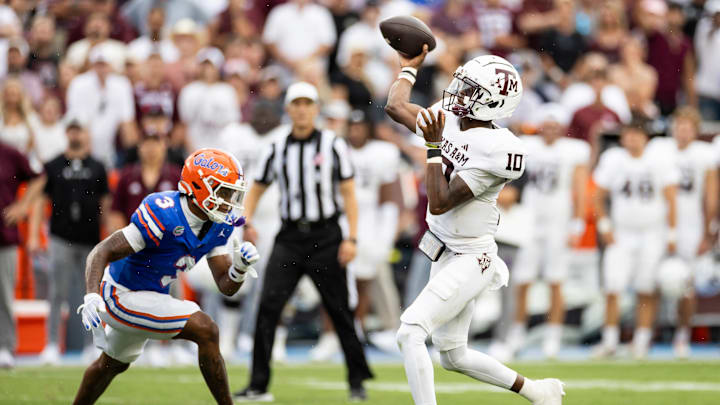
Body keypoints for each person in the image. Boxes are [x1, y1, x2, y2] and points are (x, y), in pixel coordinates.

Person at [384, 45, 565, 404]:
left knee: (410, 333)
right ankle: (537, 391)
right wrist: (408, 69)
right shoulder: (450, 118)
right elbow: (396, 107)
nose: (460, 93)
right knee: (453, 355)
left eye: (471, 90)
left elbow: (440, 200)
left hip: (471, 256)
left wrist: (434, 147)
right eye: (463, 84)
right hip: (444, 249)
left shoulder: (499, 149)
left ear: (494, 102)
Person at [72, 148, 260, 405]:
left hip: (152, 296)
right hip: (122, 294)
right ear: (199, 187)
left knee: (111, 365)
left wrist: (239, 268)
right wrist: (92, 294)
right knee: (206, 329)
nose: (230, 200)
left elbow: (226, 286)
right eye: (224, 191)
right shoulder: (164, 212)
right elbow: (102, 250)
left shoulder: (219, 224)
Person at [233, 82, 373, 402]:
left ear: (315, 108)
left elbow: (349, 194)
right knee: (268, 306)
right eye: (295, 103)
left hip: (326, 235)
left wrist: (351, 237)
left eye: (307, 103)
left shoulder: (333, 144)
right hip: (290, 236)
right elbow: (255, 189)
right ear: (288, 108)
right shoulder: (275, 147)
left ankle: (357, 379)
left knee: (340, 309)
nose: (301, 109)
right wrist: (247, 221)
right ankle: (258, 383)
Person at [504, 103, 590, 360]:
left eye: (555, 126)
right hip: (529, 221)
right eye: (547, 125)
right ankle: (516, 333)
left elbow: (581, 188)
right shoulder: (527, 146)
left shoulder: (573, 151)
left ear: (562, 128)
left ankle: (553, 336)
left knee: (556, 281)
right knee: (522, 280)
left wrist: (578, 223)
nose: (550, 130)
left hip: (558, 221)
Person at [592, 119, 678, 359]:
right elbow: (597, 196)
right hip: (622, 233)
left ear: (646, 138)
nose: (632, 139)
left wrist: (672, 233)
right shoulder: (614, 159)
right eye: (629, 135)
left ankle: (641, 341)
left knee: (646, 288)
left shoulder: (659, 159)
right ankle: (609, 341)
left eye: (637, 135)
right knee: (612, 287)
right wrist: (604, 225)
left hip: (652, 232)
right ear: (622, 138)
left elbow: (671, 197)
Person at [34, 120, 110, 364]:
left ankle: (93, 344)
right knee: (58, 292)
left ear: (85, 134)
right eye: (72, 129)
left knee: (92, 295)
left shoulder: (98, 166)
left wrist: (109, 235)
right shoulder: (53, 165)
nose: (76, 134)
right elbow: (39, 201)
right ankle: (52, 343)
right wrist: (35, 234)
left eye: (79, 130)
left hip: (90, 239)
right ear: (67, 133)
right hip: (60, 237)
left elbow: (105, 203)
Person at [648, 107, 718, 358]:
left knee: (685, 285)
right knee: (650, 280)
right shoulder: (659, 149)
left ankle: (682, 335)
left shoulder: (704, 154)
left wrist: (709, 232)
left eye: (688, 127)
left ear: (696, 131)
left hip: (690, 225)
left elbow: (711, 195)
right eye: (679, 126)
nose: (683, 132)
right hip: (657, 222)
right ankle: (645, 335)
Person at [0, 141, 45, 369]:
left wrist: (22, 206)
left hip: (3, 235)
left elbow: (38, 177)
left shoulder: (8, 152)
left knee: (4, 293)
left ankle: (5, 347)